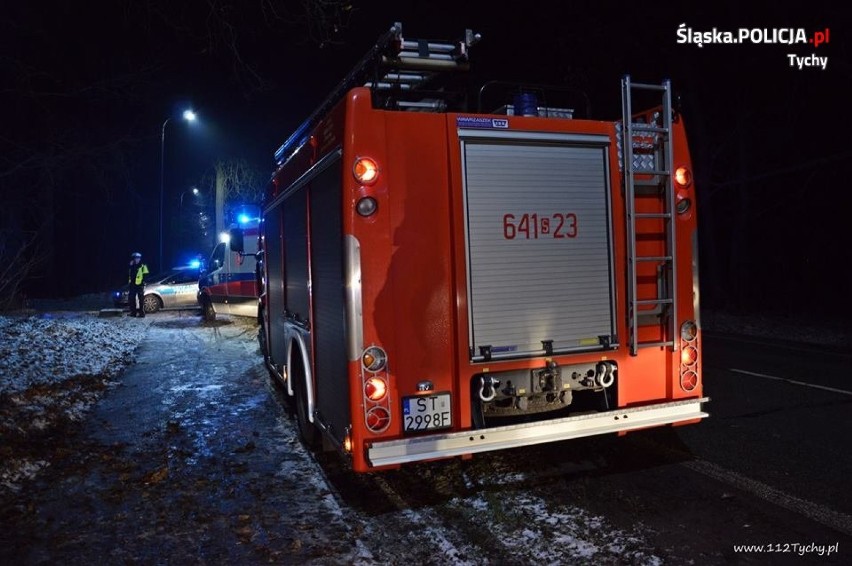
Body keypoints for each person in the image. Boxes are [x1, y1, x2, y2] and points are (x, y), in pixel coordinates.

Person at [128, 252, 149, 317]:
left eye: (138, 258)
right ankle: (133, 313)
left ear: (140, 259)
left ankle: (141, 313)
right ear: (134, 259)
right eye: (135, 258)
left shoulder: (143, 265)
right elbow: (129, 274)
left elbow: (146, 275)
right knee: (131, 299)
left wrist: (144, 282)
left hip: (140, 285)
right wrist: (130, 265)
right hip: (132, 284)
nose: (137, 259)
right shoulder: (131, 265)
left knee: (141, 300)